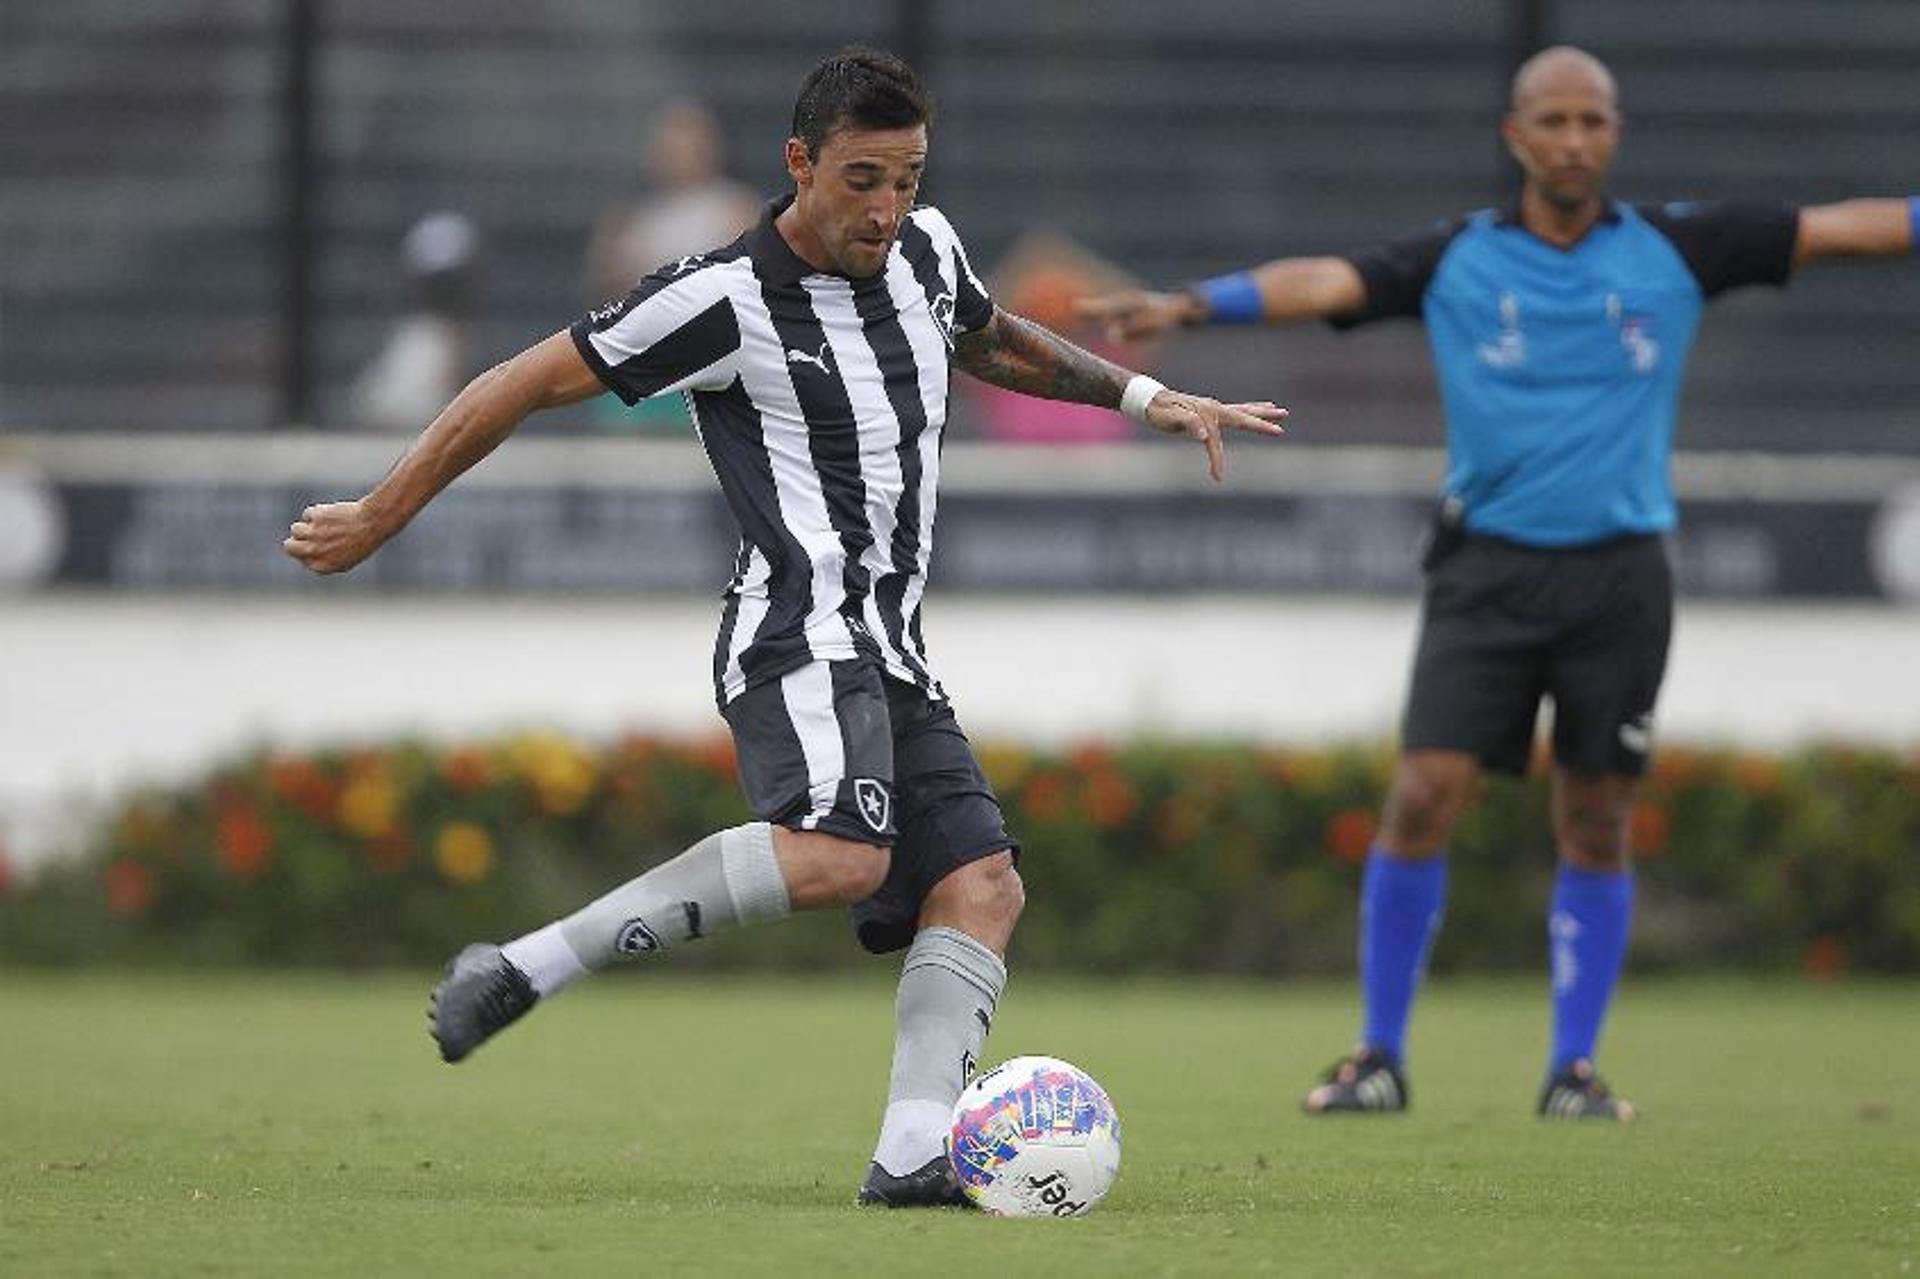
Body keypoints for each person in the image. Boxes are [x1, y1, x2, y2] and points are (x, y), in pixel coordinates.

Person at [283, 47, 1285, 1204]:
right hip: (796, 631)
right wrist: (378, 510)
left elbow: (991, 335)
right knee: (845, 852)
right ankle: (526, 965)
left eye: (907, 177)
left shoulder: (928, 250)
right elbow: (519, 379)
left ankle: (912, 1155)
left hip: (892, 646)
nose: (887, 208)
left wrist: (1149, 397)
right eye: (863, 179)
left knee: (983, 887)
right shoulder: (718, 299)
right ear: (799, 163)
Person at [1083, 44, 1916, 1122]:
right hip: (1486, 571)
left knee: (1598, 816)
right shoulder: (1459, 258)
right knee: (1423, 792)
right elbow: (1329, 279)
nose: (1574, 139)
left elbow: (1843, 227)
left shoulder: (1683, 247)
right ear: (1518, 136)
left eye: (1593, 121)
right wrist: (1192, 308)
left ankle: (1574, 1069)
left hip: (1621, 579)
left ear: (1613, 134)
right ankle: (1377, 1056)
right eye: (1554, 121)